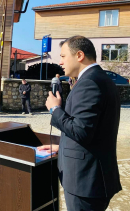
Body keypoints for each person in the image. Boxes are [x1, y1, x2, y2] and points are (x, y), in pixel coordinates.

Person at [39, 36, 122, 211]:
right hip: (91, 179)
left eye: (62, 56)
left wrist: (55, 110)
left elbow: (81, 131)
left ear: (79, 55)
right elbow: (93, 130)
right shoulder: (100, 79)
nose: (60, 62)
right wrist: (61, 146)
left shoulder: (89, 83)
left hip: (86, 181)